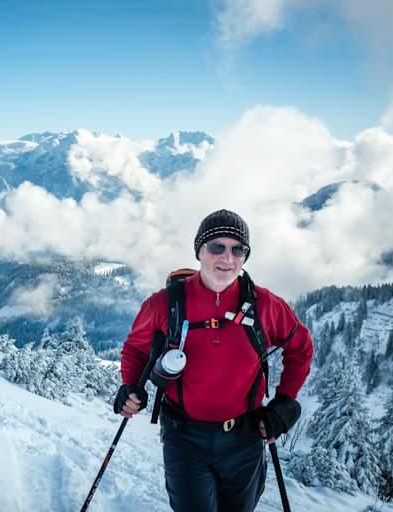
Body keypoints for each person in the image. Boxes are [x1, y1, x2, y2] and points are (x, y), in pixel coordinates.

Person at [114, 209, 313, 512]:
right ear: (199, 251)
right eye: (216, 246)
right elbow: (136, 350)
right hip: (184, 437)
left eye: (238, 249)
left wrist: (285, 402)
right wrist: (130, 386)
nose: (227, 258)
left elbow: (301, 348)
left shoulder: (266, 306)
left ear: (246, 256)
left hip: (244, 438)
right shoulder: (165, 304)